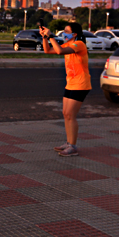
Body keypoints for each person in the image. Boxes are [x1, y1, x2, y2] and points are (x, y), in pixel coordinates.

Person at [40, 22, 90, 157]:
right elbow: (48, 50)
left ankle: (72, 146)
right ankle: (68, 143)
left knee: (71, 115)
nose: (64, 33)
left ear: (74, 34)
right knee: (66, 114)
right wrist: (45, 37)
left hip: (81, 84)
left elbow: (60, 51)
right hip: (70, 84)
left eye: (66, 31)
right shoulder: (67, 44)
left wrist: (51, 36)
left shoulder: (79, 44)